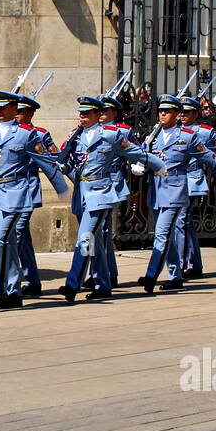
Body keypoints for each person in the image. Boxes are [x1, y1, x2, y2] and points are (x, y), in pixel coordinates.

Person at [0, 90, 68, 309]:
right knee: (11, 244)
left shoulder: (26, 134)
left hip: (17, 194)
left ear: (15, 109)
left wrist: (61, 188)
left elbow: (46, 161)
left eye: (4, 106)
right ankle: (14, 292)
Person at [57, 95, 157, 303]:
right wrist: (66, 169)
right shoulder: (76, 135)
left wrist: (157, 165)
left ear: (97, 114)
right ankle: (103, 282)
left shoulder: (112, 134)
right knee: (95, 240)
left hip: (101, 192)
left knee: (85, 237)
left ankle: (72, 283)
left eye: (87, 113)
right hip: (82, 192)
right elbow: (70, 162)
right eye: (80, 113)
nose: (82, 117)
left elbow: (136, 152)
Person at [135, 94, 216, 294]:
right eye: (160, 110)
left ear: (176, 114)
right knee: (165, 235)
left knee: (162, 234)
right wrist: (141, 165)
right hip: (156, 189)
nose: (162, 114)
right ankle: (175, 275)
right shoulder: (153, 135)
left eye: (167, 111)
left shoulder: (187, 136)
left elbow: (208, 158)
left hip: (175, 189)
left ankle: (151, 275)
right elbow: (143, 154)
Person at [13, 93, 57, 297]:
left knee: (17, 233)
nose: (17, 114)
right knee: (24, 238)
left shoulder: (40, 133)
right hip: (8, 190)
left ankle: (11, 279)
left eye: (20, 111)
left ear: (30, 113)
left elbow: (52, 158)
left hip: (28, 187)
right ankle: (33, 281)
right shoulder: (7, 131)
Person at [91, 95, 130, 289]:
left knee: (103, 231)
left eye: (105, 111)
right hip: (90, 187)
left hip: (112, 183)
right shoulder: (88, 131)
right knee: (94, 233)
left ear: (114, 112)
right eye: (99, 111)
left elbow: (136, 151)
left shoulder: (122, 131)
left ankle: (106, 272)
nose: (102, 115)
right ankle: (98, 270)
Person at [179, 95, 216, 280]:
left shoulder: (204, 132)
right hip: (174, 180)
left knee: (184, 220)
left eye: (187, 112)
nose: (183, 115)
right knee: (182, 223)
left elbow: (214, 154)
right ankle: (191, 261)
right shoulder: (173, 130)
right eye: (181, 112)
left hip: (193, 178)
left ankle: (189, 263)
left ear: (196, 114)